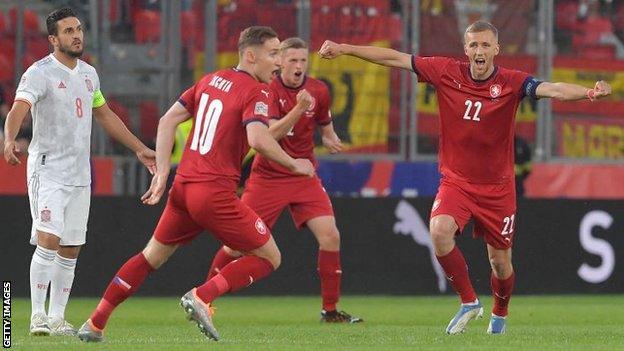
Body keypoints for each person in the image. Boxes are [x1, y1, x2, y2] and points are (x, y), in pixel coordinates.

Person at [319, 20, 611, 335]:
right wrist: (345, 49)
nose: (479, 51)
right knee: (439, 232)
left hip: (497, 189)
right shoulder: (445, 71)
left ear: (497, 49)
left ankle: (499, 314)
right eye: (473, 45)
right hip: (456, 181)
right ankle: (469, 301)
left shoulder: (512, 82)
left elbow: (551, 89)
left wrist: (588, 93)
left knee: (500, 263)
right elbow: (395, 58)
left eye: (485, 45)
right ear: (465, 48)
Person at [77, 26, 315, 342]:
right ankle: (202, 296)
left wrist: (162, 172)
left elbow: (166, 120)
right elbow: (258, 138)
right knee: (270, 257)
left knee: (150, 257)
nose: (279, 61)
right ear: (250, 55)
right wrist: (294, 163)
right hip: (213, 192)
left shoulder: (210, 80)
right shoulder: (258, 91)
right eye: (273, 54)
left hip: (183, 188)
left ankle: (95, 323)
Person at [2, 7, 156, 337]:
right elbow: (19, 108)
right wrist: (9, 139)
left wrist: (138, 147)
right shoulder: (39, 72)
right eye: (69, 30)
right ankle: (37, 316)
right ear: (53, 39)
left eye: (79, 29)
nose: (77, 35)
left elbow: (104, 115)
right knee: (48, 239)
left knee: (71, 247)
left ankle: (57, 319)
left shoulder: (89, 74)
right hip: (48, 170)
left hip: (79, 174)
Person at [205, 37, 362, 323]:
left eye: (303, 60)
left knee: (330, 236)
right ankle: (204, 299)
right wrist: (299, 109)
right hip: (267, 177)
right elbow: (267, 136)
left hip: (303, 174)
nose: (299, 66)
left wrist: (331, 138)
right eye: (292, 60)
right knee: (236, 246)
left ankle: (330, 311)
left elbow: (325, 126)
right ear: (280, 63)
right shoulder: (266, 90)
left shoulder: (318, 90)